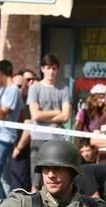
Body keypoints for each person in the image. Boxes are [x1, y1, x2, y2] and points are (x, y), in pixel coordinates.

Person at [28, 53, 72, 188]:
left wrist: (44, 114)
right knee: (36, 180)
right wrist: (56, 112)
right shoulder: (35, 88)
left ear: (57, 70)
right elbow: (35, 115)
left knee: (56, 179)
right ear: (42, 69)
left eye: (54, 68)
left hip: (57, 138)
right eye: (48, 68)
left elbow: (65, 117)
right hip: (38, 137)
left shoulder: (64, 89)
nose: (51, 72)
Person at [0, 59, 23, 199]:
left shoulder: (13, 90)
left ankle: (3, 206)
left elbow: (3, 112)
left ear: (1, 73)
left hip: (4, 138)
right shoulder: (3, 90)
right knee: (0, 177)